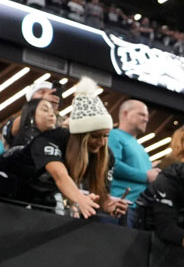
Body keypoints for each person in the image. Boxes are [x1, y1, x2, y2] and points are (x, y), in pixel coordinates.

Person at [0, 77, 125, 220]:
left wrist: (107, 204)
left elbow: (101, 193)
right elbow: (60, 176)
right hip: (7, 178)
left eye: (106, 136)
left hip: (41, 192)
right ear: (80, 135)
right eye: (95, 136)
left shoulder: (106, 155)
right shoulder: (51, 138)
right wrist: (79, 198)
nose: (102, 142)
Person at [108, 99, 158, 225]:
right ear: (125, 114)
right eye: (141, 114)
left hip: (137, 209)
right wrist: (146, 176)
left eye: (147, 116)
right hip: (120, 205)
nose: (146, 119)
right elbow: (113, 164)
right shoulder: (114, 135)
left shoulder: (139, 146)